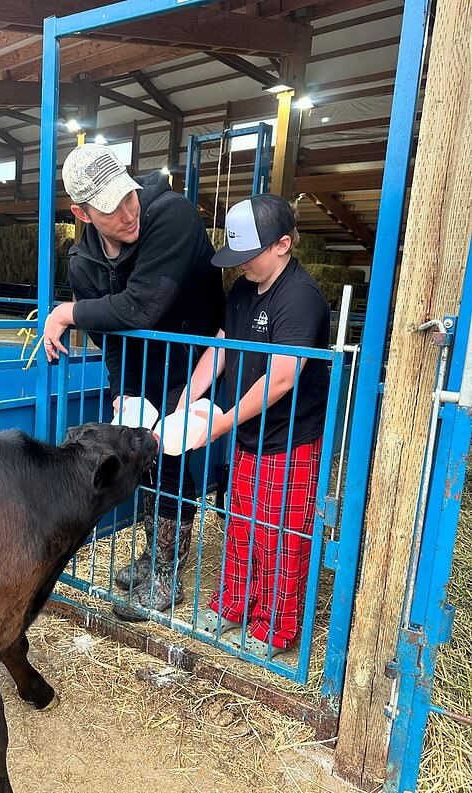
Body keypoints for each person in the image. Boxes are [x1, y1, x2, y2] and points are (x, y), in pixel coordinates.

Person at [43, 143, 225, 620]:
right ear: (81, 213)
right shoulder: (82, 263)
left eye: (129, 196)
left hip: (193, 362)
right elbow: (111, 333)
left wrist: (66, 312)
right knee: (141, 458)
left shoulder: (172, 217)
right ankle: (153, 555)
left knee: (172, 459)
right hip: (140, 369)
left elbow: (141, 307)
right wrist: (122, 386)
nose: (128, 213)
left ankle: (168, 572)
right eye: (111, 208)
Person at [179, 194, 330, 656]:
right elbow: (222, 346)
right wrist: (190, 397)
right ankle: (234, 603)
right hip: (249, 434)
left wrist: (220, 423)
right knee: (242, 525)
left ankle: (276, 627)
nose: (240, 265)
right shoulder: (244, 289)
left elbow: (283, 376)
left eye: (249, 255)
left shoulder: (301, 298)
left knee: (281, 535)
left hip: (290, 438)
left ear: (283, 245)